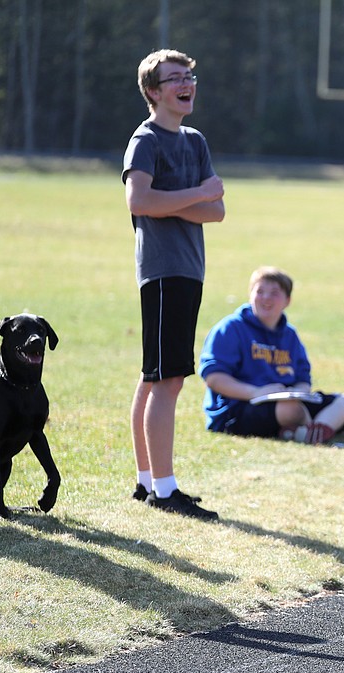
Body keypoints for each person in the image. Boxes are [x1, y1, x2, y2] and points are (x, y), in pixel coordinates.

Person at [123, 49, 225, 520]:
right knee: (167, 380)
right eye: (175, 78)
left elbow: (216, 211)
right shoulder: (145, 140)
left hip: (189, 269)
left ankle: (148, 483)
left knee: (155, 377)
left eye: (190, 75)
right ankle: (165, 491)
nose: (187, 84)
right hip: (163, 271)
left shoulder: (195, 139)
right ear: (153, 92)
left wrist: (181, 202)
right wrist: (199, 194)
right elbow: (139, 201)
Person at [199, 266, 344, 444]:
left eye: (274, 293)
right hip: (238, 407)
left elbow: (302, 377)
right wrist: (257, 392)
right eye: (260, 291)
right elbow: (214, 378)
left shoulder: (289, 334)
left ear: (287, 300)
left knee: (342, 402)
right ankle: (323, 427)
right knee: (291, 410)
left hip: (284, 401)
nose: (266, 298)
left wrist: (299, 391)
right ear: (250, 295)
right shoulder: (230, 328)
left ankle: (306, 430)